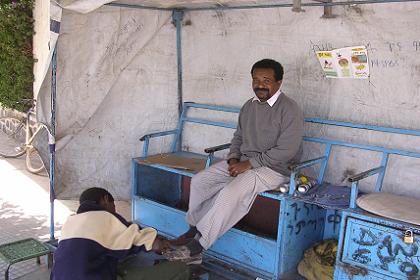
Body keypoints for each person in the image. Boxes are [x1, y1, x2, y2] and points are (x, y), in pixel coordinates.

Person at [165, 59, 304, 263]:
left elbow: (286, 150)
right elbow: (238, 137)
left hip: (275, 169)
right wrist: (233, 158)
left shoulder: (289, 109)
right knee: (200, 181)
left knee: (230, 193)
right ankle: (193, 229)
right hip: (244, 162)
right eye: (256, 80)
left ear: (279, 83)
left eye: (266, 80)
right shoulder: (249, 106)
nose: (260, 85)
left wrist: (248, 165)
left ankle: (198, 247)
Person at [51, 187, 190, 280]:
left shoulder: (70, 223)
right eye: (114, 205)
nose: (115, 211)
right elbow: (152, 243)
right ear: (105, 200)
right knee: (182, 268)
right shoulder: (105, 217)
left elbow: (118, 240)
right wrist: (167, 244)